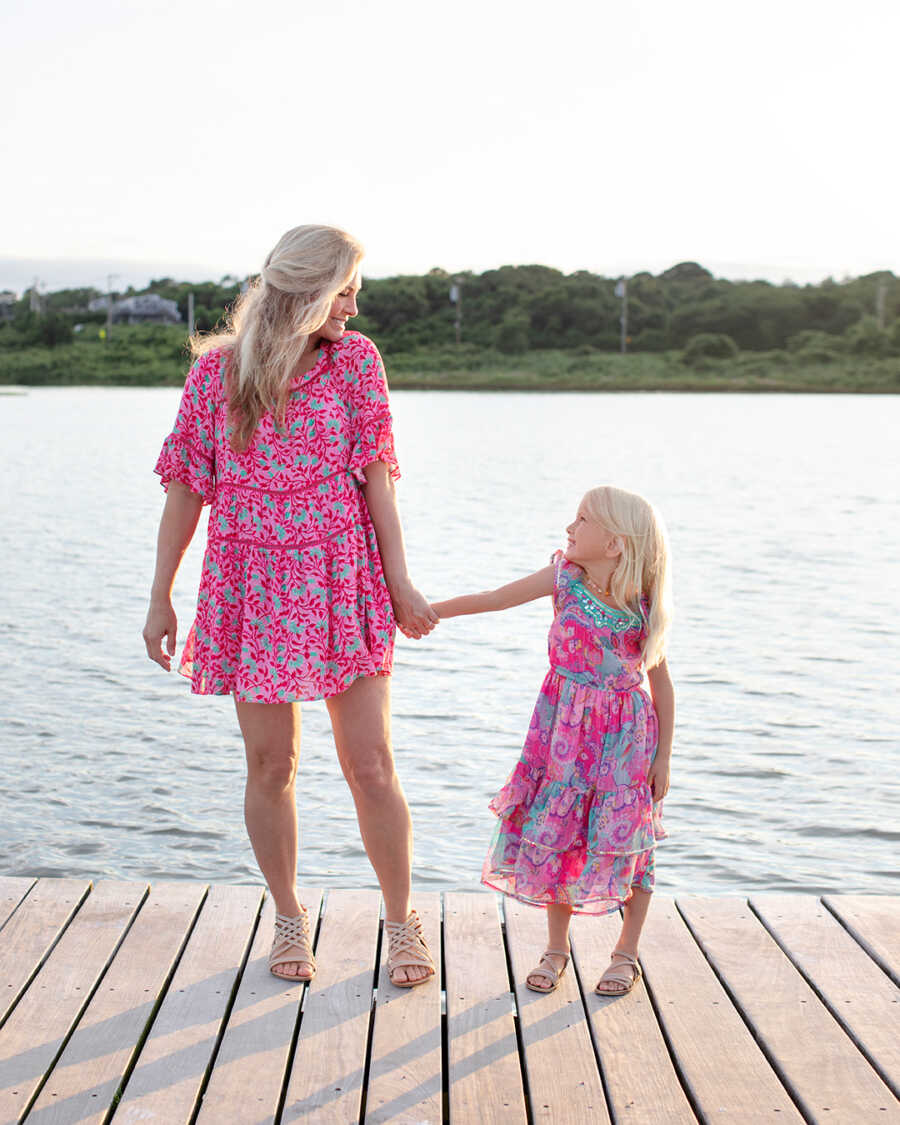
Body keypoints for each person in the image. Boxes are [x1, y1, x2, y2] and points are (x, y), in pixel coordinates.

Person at [143, 224, 438, 986]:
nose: (353, 302)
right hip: (250, 583)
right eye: (343, 287)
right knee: (272, 764)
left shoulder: (356, 363)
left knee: (369, 763)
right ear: (304, 288)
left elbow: (380, 481)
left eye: (355, 289)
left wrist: (401, 581)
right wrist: (161, 596)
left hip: (344, 579)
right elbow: (186, 490)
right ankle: (287, 918)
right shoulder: (216, 377)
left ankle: (402, 921)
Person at [432, 485, 674, 995]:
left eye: (583, 520)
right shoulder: (564, 578)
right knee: (558, 831)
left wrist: (663, 760)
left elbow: (662, 683)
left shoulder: (643, 603)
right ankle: (556, 949)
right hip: (562, 731)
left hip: (625, 742)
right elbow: (496, 600)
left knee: (626, 841)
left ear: (615, 544)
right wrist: (427, 611)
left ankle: (625, 952)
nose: (570, 528)